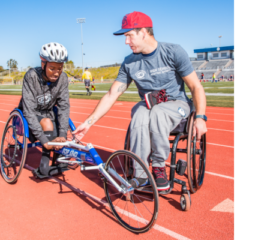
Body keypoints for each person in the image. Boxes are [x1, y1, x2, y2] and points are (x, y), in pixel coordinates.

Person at [73, 11, 207, 191]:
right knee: (139, 112)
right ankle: (140, 174)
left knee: (158, 113)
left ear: (143, 32)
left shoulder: (173, 52)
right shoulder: (129, 62)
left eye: (129, 36)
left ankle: (159, 167)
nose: (126, 41)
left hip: (178, 107)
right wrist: (88, 123)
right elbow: (112, 94)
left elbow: (196, 87)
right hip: (149, 107)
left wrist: (200, 117)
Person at [18, 42, 70, 178]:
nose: (57, 72)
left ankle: (58, 159)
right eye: (52, 68)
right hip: (32, 112)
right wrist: (43, 139)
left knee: (61, 121)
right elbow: (28, 110)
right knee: (48, 123)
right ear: (43, 64)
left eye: (60, 68)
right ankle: (44, 167)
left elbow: (64, 106)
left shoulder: (63, 79)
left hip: (49, 111)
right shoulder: (31, 76)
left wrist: (63, 135)